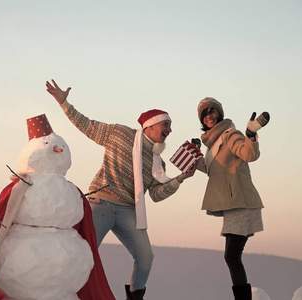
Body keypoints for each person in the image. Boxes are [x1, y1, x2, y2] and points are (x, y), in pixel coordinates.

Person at [46, 79, 197, 300]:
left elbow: (156, 194)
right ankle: (62, 294)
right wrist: (64, 103)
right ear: (151, 125)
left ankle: (135, 297)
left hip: (129, 211)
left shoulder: (158, 162)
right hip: (101, 204)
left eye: (170, 127)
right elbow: (87, 125)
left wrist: (181, 178)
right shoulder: (119, 134)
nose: (170, 130)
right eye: (166, 125)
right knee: (83, 254)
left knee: (146, 257)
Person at [195, 97, 270, 300]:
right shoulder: (211, 144)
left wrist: (250, 134)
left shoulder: (229, 135)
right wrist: (195, 156)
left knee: (232, 256)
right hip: (233, 205)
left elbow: (248, 154)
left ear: (219, 113)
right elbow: (213, 170)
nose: (209, 116)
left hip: (241, 203)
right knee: (232, 257)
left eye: (212, 111)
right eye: (204, 114)